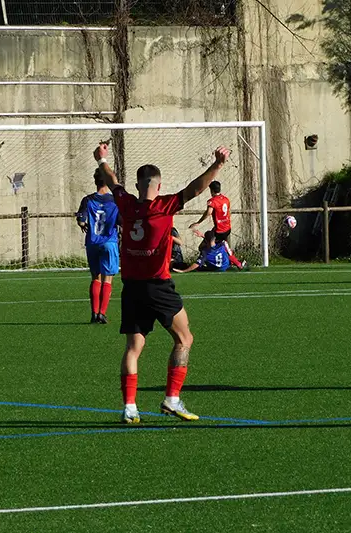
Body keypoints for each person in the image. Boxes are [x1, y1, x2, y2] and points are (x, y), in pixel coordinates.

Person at [94, 142, 230, 424]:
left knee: (133, 349)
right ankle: (171, 398)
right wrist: (217, 165)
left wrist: (101, 159)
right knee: (184, 338)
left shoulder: (126, 202)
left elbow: (112, 180)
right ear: (159, 184)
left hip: (131, 287)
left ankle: (129, 408)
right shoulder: (165, 205)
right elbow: (195, 189)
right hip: (158, 286)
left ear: (137, 184)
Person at [76, 169, 120, 325]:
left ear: (95, 181)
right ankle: (102, 313)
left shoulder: (87, 200)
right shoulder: (115, 201)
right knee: (108, 279)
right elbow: (121, 221)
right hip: (109, 242)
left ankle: (94, 314)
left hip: (93, 243)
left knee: (95, 278)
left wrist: (84, 224)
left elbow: (81, 221)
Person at [189, 181, 245, 269]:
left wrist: (198, 222)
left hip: (219, 230)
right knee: (222, 245)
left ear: (211, 190)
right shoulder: (226, 199)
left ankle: (220, 263)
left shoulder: (213, 201)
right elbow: (228, 212)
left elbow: (208, 213)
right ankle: (234, 263)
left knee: (204, 247)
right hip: (227, 228)